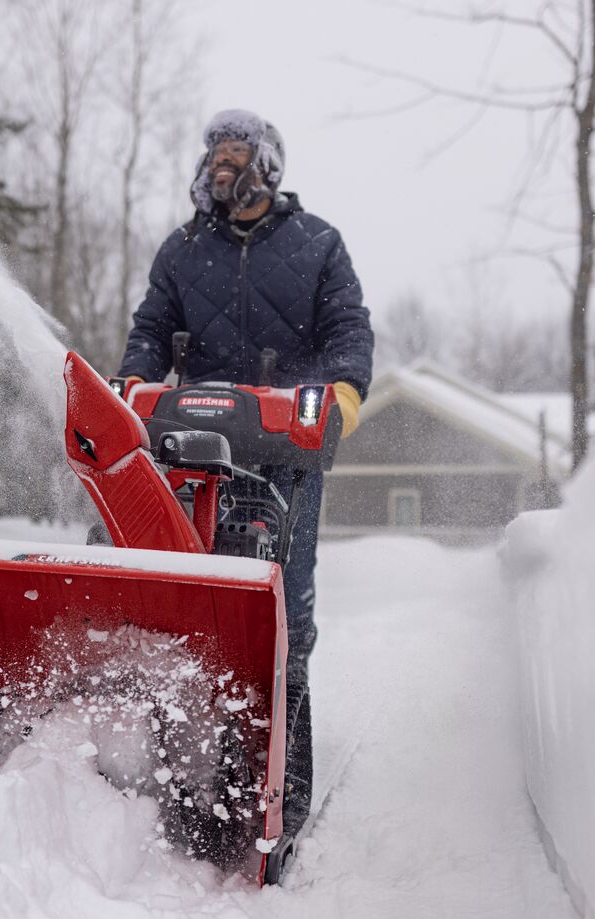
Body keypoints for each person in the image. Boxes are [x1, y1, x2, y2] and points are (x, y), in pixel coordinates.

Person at [115, 108, 374, 837]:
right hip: (192, 451)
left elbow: (348, 330)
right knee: (183, 596)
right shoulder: (183, 249)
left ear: (268, 164)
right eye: (214, 153)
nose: (221, 164)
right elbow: (150, 332)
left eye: (235, 151)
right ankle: (164, 752)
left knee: (285, 604)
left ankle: (279, 774)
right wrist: (132, 384)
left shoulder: (318, 244)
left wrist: (341, 395)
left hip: (284, 452)